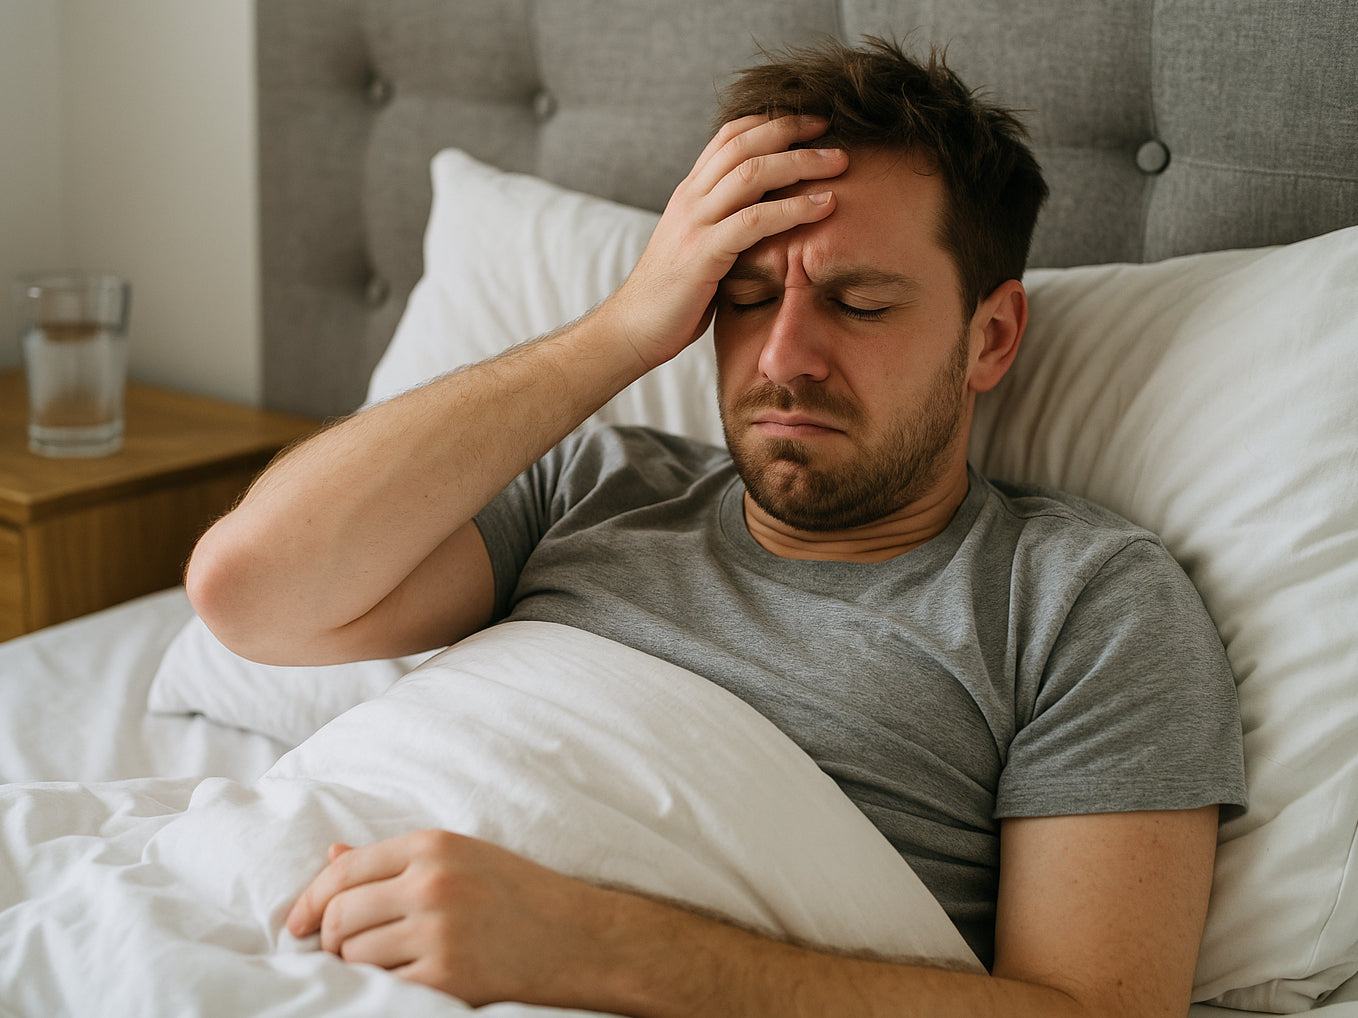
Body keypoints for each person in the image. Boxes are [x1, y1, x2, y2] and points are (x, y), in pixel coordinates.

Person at [186, 37, 1246, 1018]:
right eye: (739, 294)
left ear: (991, 334)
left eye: (859, 303)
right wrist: (620, 329)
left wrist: (588, 942)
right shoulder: (591, 483)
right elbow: (248, 588)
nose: (783, 353)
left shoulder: (1080, 601)